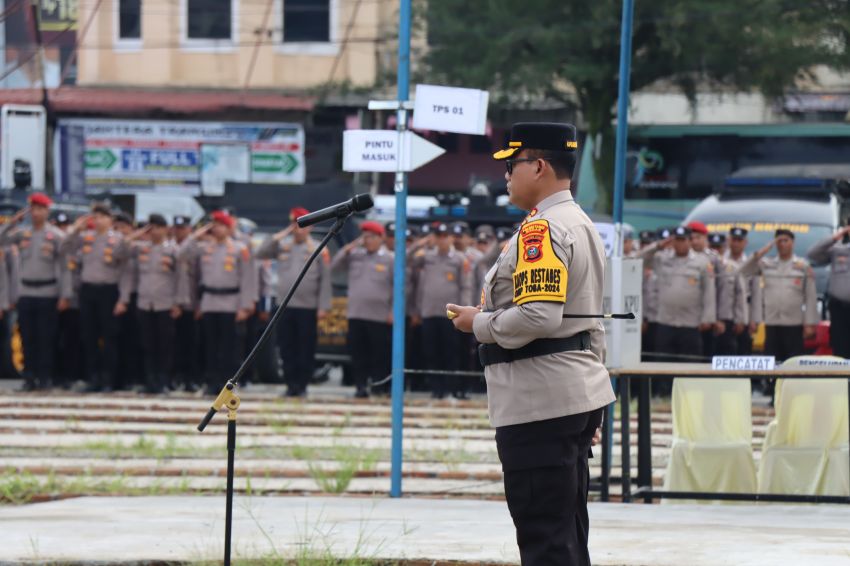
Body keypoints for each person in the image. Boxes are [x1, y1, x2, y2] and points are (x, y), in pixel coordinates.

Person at [447, 122, 614, 566]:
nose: (505, 175)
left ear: (538, 166)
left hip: (540, 402)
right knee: (566, 535)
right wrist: (590, 394)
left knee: (545, 540)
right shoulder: (579, 223)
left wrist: (477, 322)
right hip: (566, 394)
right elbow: (590, 321)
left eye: (512, 165)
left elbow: (541, 315)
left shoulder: (542, 230)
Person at [256, 206, 332, 397]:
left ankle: (302, 385)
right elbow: (260, 252)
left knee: (305, 347)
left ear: (310, 227)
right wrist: (284, 233)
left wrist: (323, 306)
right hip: (284, 306)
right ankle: (290, 384)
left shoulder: (318, 248)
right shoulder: (283, 245)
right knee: (286, 347)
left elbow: (325, 280)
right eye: (295, 225)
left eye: (302, 225)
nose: (299, 230)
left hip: (307, 307)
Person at [59, 204, 135, 392]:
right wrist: (75, 229)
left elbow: (126, 272)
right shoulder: (86, 238)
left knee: (109, 338)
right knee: (89, 336)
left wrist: (123, 299)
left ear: (110, 220)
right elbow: (64, 247)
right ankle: (93, 378)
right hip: (88, 291)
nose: (98, 220)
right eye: (96, 216)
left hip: (108, 291)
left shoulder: (118, 240)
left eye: (102, 216)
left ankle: (109, 379)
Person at [178, 211, 255, 392]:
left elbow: (247, 278)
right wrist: (195, 235)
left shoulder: (239, 248)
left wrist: (246, 304)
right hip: (209, 302)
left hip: (230, 302)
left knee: (229, 347)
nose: (216, 228)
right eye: (214, 225)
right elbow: (182, 255)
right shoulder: (205, 247)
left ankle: (227, 383)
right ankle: (211, 382)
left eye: (220, 225)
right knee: (210, 346)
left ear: (228, 228)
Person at [0, 194, 66, 390]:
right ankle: (29, 378)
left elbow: (64, 267)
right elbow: (1, 238)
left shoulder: (55, 235)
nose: (36, 213)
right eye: (33, 209)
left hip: (48, 292)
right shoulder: (23, 233)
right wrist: (13, 222)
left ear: (47, 211)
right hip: (26, 292)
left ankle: (44, 378)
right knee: (27, 338)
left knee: (45, 338)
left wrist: (64, 295)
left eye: (40, 208)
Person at [639, 226, 716, 370]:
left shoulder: (702, 261)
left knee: (689, 363)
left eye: (683, 240)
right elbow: (637, 258)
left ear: (689, 241)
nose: (680, 244)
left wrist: (708, 318)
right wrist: (658, 245)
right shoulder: (662, 258)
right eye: (677, 240)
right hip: (666, 320)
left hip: (690, 322)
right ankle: (663, 392)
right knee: (664, 362)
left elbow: (709, 291)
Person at [331, 221, 393, 398]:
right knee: (358, 353)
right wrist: (350, 246)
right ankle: (360, 386)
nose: (368, 241)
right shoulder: (355, 255)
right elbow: (335, 266)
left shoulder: (389, 258)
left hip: (379, 315)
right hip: (356, 313)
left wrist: (392, 311)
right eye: (365, 237)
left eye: (372, 237)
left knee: (379, 355)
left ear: (381, 238)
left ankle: (378, 386)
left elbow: (398, 288)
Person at [411, 222, 471, 399]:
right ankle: (436, 388)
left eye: (446, 236)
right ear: (434, 238)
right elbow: (406, 259)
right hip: (429, 312)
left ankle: (452, 387)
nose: (443, 240)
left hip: (450, 314)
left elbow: (465, 287)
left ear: (451, 238)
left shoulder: (459, 259)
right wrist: (420, 243)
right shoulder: (426, 257)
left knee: (451, 352)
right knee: (431, 352)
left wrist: (464, 310)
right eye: (439, 237)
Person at [740, 229, 818, 365]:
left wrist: (809, 323)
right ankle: (771, 387)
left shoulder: (802, 266)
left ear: (792, 243)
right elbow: (743, 271)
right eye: (779, 241)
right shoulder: (767, 264)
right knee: (772, 363)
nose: (782, 244)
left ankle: (792, 387)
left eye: (786, 241)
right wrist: (763, 251)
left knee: (793, 363)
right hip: (772, 322)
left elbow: (811, 297)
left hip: (794, 323)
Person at [126, 214, 184, 393]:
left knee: (164, 345)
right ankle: (150, 381)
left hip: (165, 303)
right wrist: (138, 234)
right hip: (145, 302)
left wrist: (178, 303)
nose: (155, 231)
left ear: (166, 229)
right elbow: (119, 249)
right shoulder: (142, 248)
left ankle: (163, 380)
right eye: (152, 228)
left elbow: (181, 278)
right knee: (147, 344)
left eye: (159, 227)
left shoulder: (174, 250)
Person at [807, 224, 850, 357]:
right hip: (840, 309)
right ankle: (842, 377)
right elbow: (812, 254)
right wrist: (835, 237)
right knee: (840, 347)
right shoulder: (838, 251)